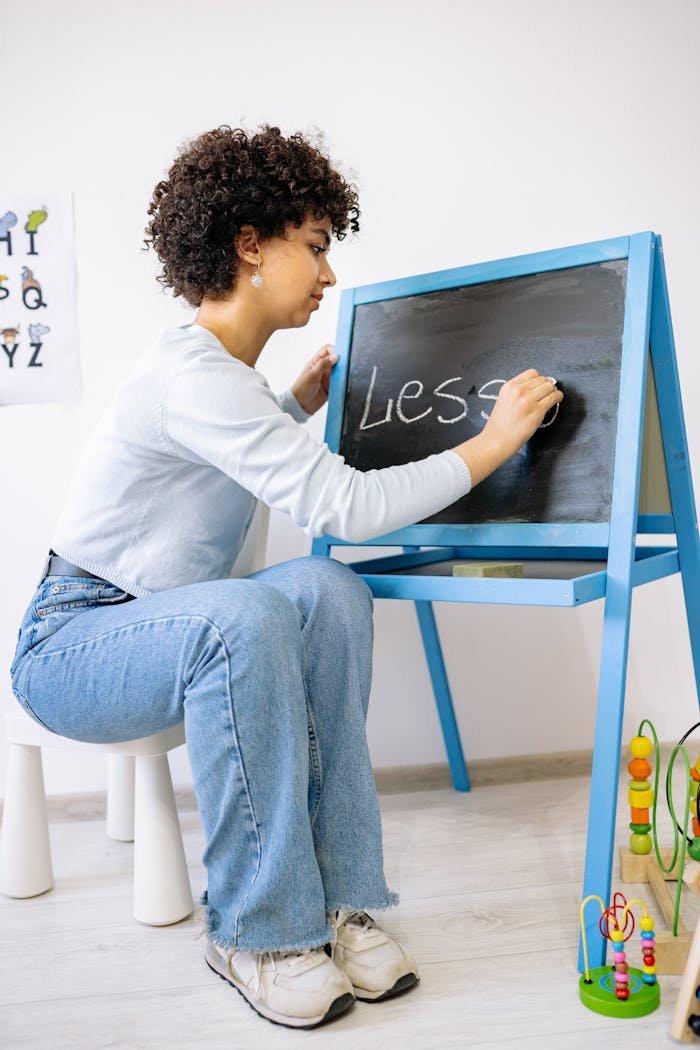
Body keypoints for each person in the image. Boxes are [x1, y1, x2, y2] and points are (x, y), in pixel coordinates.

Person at [9, 124, 563, 1030]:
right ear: (249, 246)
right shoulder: (191, 374)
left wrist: (290, 404)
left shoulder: (225, 381)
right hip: (73, 643)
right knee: (243, 616)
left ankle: (340, 904)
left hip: (165, 626)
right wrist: (491, 443)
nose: (329, 274)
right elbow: (338, 504)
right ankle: (257, 932)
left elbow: (226, 461)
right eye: (314, 247)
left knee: (329, 592)